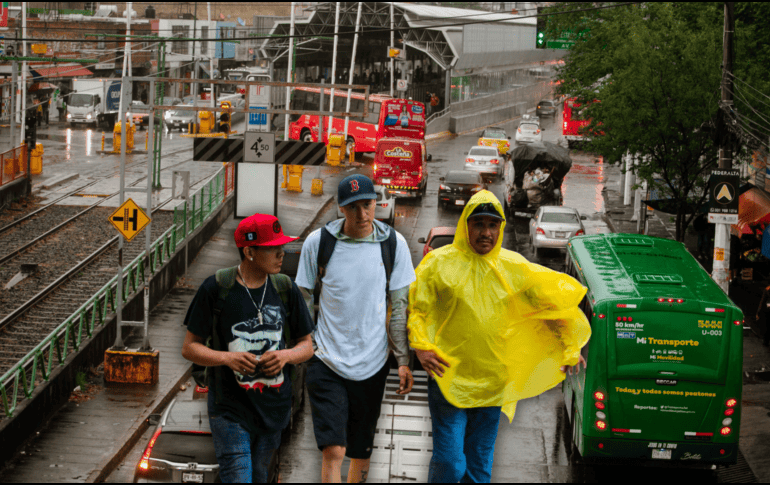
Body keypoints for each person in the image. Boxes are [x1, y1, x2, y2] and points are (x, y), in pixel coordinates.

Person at [408, 191, 591, 483]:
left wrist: (569, 345)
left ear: (500, 228)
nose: (486, 232)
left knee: (479, 467)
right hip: (448, 378)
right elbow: (418, 308)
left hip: (492, 383)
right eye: (478, 224)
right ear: (465, 225)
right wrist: (420, 346)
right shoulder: (438, 264)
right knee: (449, 463)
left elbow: (550, 306)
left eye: (493, 225)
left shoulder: (512, 267)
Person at [295, 174, 416, 483]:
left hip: (373, 363)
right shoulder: (319, 243)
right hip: (326, 360)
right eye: (353, 207)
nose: (362, 214)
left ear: (376, 203)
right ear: (340, 208)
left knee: (361, 451)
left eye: (367, 205)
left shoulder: (394, 245)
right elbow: (303, 297)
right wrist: (307, 344)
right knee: (334, 449)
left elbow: (399, 307)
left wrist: (403, 361)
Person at [181, 213, 315, 483]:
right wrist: (227, 358)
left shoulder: (285, 289)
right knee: (239, 477)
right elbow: (190, 348)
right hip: (229, 410)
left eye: (281, 246)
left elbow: (307, 346)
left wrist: (285, 356)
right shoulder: (216, 289)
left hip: (273, 410)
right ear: (249, 252)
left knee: (259, 476)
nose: (282, 253)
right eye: (273, 248)